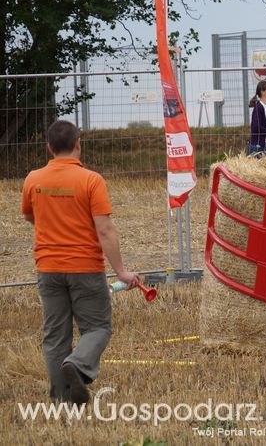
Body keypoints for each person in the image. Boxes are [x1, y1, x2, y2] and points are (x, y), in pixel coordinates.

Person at [21, 120, 139, 404]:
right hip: (85, 267)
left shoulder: (33, 179)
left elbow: (28, 215)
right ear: (78, 144)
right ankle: (77, 364)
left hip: (48, 269)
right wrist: (121, 271)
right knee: (98, 328)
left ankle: (62, 398)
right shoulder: (91, 180)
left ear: (49, 148)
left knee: (54, 336)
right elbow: (105, 229)